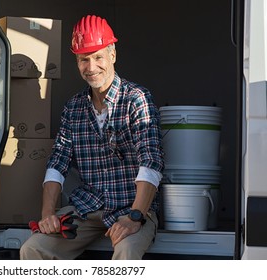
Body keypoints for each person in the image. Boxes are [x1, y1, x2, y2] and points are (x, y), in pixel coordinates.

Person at [20, 14, 164, 260]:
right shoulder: (74, 107)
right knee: (32, 249)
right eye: (83, 59)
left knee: (126, 252)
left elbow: (150, 162)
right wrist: (47, 214)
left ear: (113, 55)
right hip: (87, 207)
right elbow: (57, 163)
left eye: (98, 57)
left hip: (131, 209)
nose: (91, 67)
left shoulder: (136, 99)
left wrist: (135, 217)